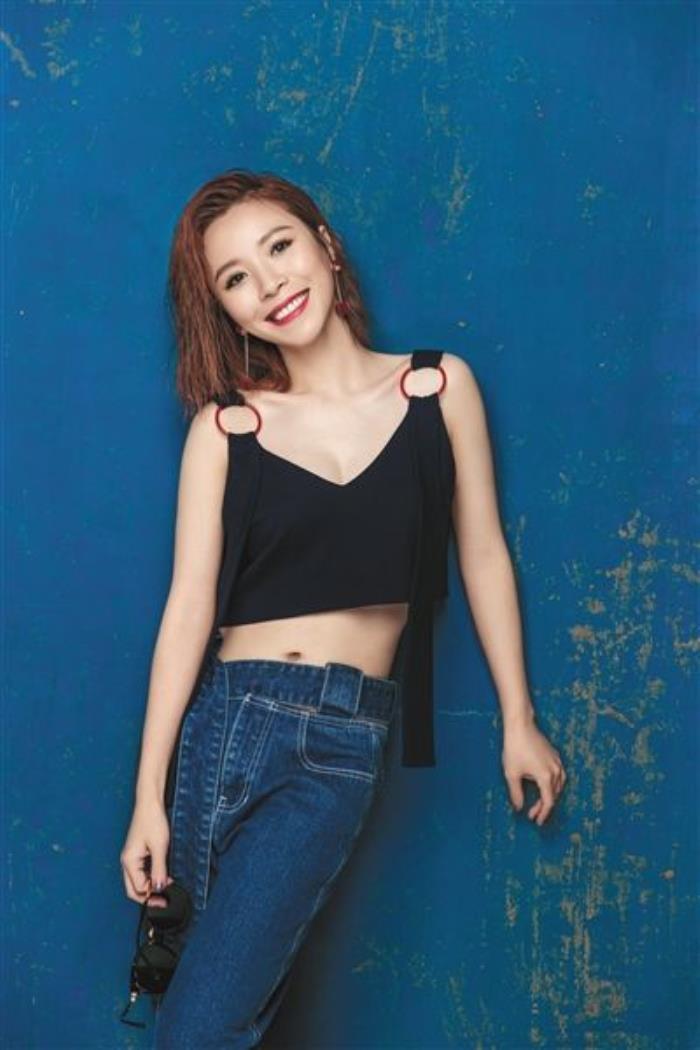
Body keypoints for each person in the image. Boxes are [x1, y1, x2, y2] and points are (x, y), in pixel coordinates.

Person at [119, 169, 566, 1047]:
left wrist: (519, 717)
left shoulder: (437, 388)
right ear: (226, 311)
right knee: (198, 1016)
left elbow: (482, 551)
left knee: (207, 1023)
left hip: (339, 739)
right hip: (229, 726)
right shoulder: (227, 429)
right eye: (236, 278)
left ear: (324, 244)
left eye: (279, 247)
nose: (270, 283)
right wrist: (148, 796)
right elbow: (188, 609)